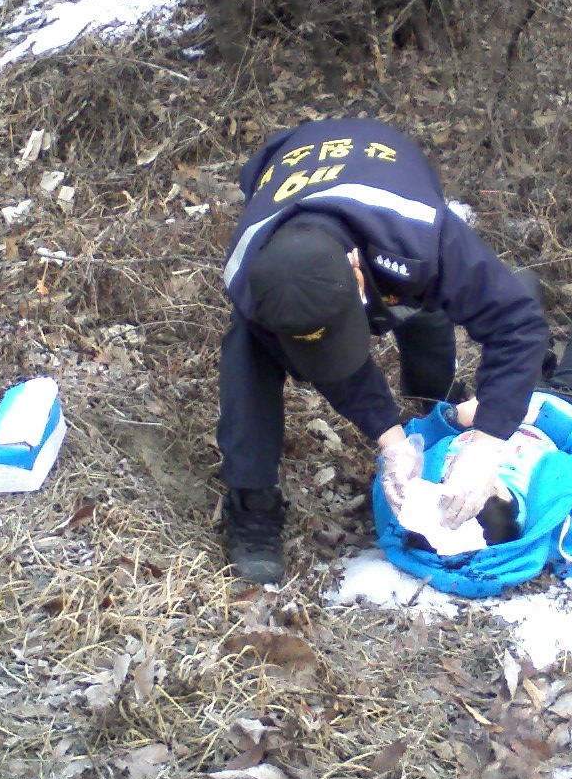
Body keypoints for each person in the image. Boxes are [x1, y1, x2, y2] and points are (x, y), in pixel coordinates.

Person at [217, 117, 550, 583]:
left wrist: (488, 444)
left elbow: (517, 325)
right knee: (248, 353)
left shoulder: (422, 233)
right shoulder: (250, 276)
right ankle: (251, 504)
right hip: (291, 180)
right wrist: (391, 440)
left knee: (418, 300)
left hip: (389, 177)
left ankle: (430, 398)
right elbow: (330, 360)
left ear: (356, 269)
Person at [372, 277, 572, 597]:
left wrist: (453, 418)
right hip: (571, 404)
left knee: (518, 283)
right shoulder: (566, 520)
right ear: (511, 510)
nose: (463, 473)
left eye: (450, 477)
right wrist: (546, 419)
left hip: (502, 393)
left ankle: (539, 356)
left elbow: (402, 447)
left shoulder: (410, 503)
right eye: (489, 484)